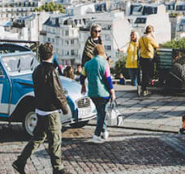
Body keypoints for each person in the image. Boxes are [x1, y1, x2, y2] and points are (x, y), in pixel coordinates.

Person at [13, 43, 71, 174]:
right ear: (52, 54)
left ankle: (20, 161)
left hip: (40, 109)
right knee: (55, 140)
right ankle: (58, 168)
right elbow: (57, 92)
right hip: (51, 111)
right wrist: (64, 107)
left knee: (37, 138)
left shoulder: (37, 70)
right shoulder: (52, 71)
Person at [84, 45, 116, 143]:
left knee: (100, 112)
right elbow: (108, 79)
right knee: (102, 114)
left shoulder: (87, 64)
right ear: (103, 53)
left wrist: (82, 85)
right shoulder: (104, 63)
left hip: (92, 92)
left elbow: (82, 76)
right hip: (103, 92)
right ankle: (97, 134)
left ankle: (104, 130)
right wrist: (112, 91)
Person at [137, 25, 159, 95]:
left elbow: (139, 47)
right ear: (152, 31)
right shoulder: (150, 38)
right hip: (149, 57)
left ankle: (144, 89)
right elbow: (156, 45)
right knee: (150, 73)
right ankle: (145, 88)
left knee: (144, 73)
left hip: (142, 57)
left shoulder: (141, 38)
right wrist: (154, 36)